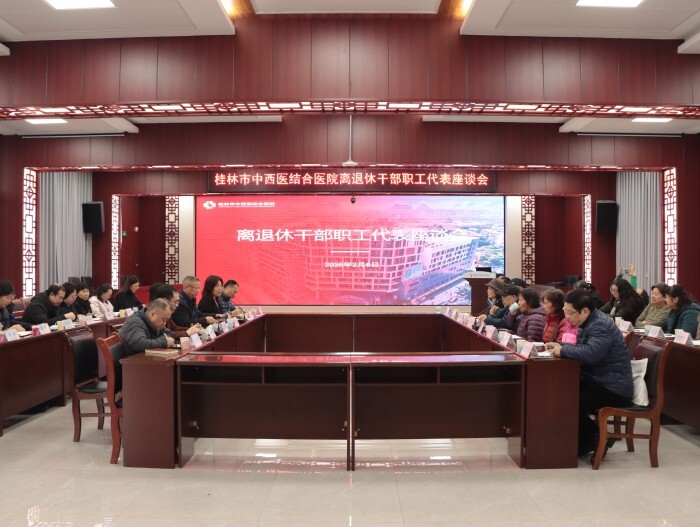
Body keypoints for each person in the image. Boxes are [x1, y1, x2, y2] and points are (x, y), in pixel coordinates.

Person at [547, 289, 633, 457]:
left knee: (571, 402)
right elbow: (583, 348)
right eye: (565, 312)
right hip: (598, 380)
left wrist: (563, 350)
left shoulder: (600, 325)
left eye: (570, 313)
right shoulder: (588, 322)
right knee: (561, 395)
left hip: (613, 387)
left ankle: (592, 441)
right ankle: (591, 438)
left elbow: (591, 354)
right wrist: (561, 346)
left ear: (585, 311)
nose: (568, 317)